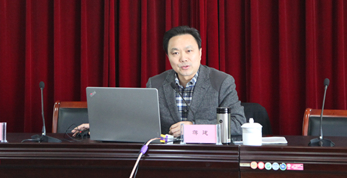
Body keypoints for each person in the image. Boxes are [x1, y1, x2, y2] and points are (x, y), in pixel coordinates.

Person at [73, 25, 246, 138]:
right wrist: (101, 127)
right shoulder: (155, 84)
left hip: (210, 157)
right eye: (175, 53)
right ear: (168, 56)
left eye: (189, 51)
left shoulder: (221, 82)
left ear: (200, 52)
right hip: (166, 158)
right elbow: (139, 122)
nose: (183, 58)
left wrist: (193, 128)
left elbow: (238, 124)